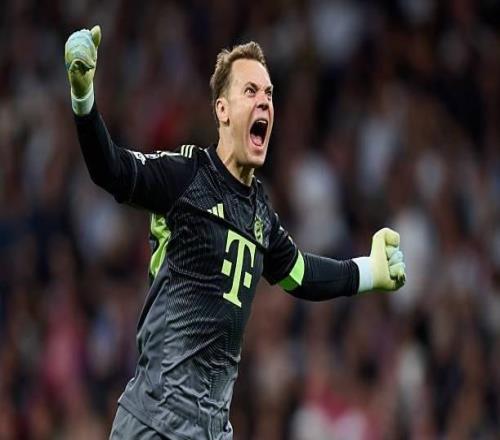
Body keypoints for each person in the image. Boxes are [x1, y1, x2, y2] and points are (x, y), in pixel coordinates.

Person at [65, 25, 406, 440]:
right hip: (155, 421)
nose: (264, 101)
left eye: (269, 94)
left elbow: (300, 274)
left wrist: (369, 271)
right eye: (251, 91)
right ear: (223, 110)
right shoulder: (185, 177)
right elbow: (112, 169)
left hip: (211, 431)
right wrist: (83, 98)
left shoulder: (260, 213)